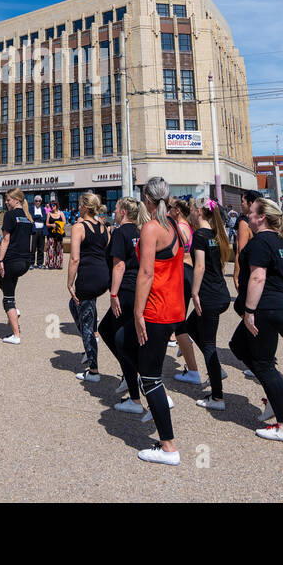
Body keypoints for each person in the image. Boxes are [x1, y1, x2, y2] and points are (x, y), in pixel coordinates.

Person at [126, 177, 186, 465]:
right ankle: (158, 409)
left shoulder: (151, 228)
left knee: (149, 376)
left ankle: (168, 446)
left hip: (156, 309)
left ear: (147, 200)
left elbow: (146, 274)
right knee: (143, 366)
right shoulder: (173, 226)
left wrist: (138, 312)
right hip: (171, 308)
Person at [229, 197, 283, 443]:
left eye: (252, 213)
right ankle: (273, 395)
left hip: (265, 309)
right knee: (237, 345)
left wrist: (249, 311)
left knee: (265, 365)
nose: (248, 216)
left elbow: (258, 278)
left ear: (262, 217)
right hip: (280, 307)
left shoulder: (261, 242)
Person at [102, 197, 146, 404]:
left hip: (126, 290)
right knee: (108, 330)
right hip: (138, 288)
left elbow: (119, 266)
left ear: (123, 212)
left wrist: (113, 294)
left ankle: (136, 394)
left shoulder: (120, 232)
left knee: (121, 341)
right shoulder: (140, 232)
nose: (114, 212)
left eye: (116, 208)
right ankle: (131, 376)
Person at [190, 199, 233, 411]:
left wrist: (194, 292)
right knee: (188, 326)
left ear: (199, 212)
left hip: (209, 296)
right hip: (220, 292)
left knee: (209, 345)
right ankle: (216, 368)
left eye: (193, 209)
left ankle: (217, 396)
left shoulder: (199, 235)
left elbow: (199, 266)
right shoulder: (217, 235)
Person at [66, 193, 111, 382]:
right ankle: (91, 340)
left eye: (79, 205)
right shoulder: (104, 228)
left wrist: (70, 282)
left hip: (88, 277)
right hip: (103, 276)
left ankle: (93, 369)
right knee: (76, 306)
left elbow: (74, 258)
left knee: (85, 321)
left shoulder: (79, 227)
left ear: (84, 207)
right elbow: (107, 251)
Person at [167, 198, 202, 384]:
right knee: (177, 322)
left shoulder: (179, 228)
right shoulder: (187, 226)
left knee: (178, 323)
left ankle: (193, 369)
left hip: (182, 272)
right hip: (187, 272)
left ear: (178, 210)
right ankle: (186, 347)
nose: (168, 210)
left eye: (171, 208)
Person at [0, 188, 34, 344]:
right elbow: (30, 241)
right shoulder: (27, 218)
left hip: (13, 260)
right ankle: (15, 311)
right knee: (1, 280)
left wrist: (0, 261)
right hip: (24, 261)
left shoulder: (10, 216)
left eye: (8, 199)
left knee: (7, 298)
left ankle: (16, 335)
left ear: (17, 200)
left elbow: (5, 240)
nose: (6, 201)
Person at [45, 197, 66, 270]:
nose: (52, 207)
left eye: (53, 205)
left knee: (59, 248)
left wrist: (58, 224)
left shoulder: (61, 213)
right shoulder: (49, 214)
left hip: (59, 233)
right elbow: (47, 224)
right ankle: (50, 264)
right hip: (51, 234)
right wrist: (52, 225)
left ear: (56, 205)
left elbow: (64, 222)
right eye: (51, 205)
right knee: (51, 249)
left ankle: (59, 264)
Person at [30, 196, 47, 268]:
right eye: (36, 201)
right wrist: (39, 217)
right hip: (34, 230)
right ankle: (31, 263)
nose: (38, 202)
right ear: (34, 201)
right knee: (33, 248)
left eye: (39, 201)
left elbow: (45, 218)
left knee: (41, 248)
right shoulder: (31, 208)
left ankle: (40, 263)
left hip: (41, 230)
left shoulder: (43, 209)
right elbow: (31, 217)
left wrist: (36, 217)